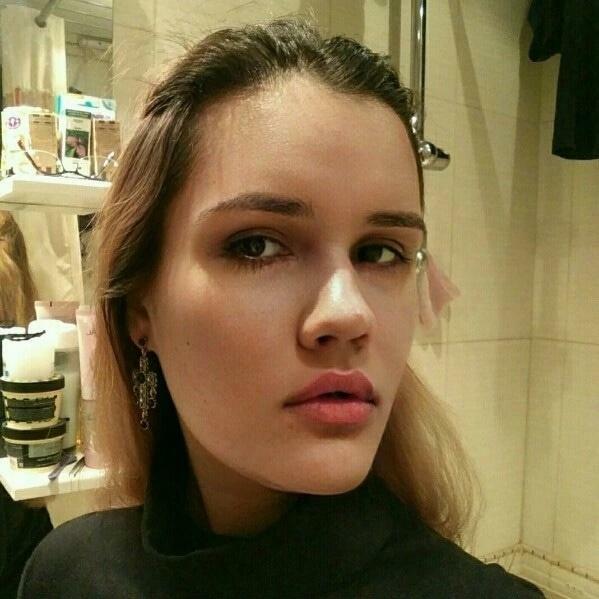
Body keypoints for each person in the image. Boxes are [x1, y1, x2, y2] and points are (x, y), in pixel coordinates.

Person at [18, 18, 545, 598]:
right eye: (257, 246)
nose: (349, 314)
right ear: (141, 308)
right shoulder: (65, 574)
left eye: (380, 252)